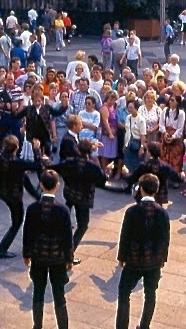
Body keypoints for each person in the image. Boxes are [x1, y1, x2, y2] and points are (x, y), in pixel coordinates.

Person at [115, 173, 170, 329]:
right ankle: (144, 325)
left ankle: (121, 326)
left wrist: (122, 257)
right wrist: (162, 259)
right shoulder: (162, 213)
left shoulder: (132, 211)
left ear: (141, 189)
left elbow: (125, 236)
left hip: (133, 260)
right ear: (156, 190)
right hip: (153, 261)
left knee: (124, 293)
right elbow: (165, 239)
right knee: (150, 294)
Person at [22, 169, 73, 329]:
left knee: (38, 292)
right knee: (59, 295)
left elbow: (27, 233)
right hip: (57, 258)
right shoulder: (62, 210)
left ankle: (37, 325)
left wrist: (26, 254)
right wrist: (69, 258)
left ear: (41, 185)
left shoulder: (32, 209)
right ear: (57, 186)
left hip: (38, 257)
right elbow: (67, 238)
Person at [52, 139, 106, 265]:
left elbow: (57, 168)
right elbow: (102, 181)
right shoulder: (93, 166)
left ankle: (64, 246)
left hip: (70, 193)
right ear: (90, 151)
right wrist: (107, 171)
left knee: (70, 215)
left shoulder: (70, 162)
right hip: (83, 198)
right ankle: (69, 253)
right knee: (82, 225)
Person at [0, 135, 44, 259]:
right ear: (16, 148)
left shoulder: (0, 158)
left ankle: (37, 195)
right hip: (13, 195)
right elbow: (37, 165)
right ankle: (2, 249)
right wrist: (36, 150)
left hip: (2, 191)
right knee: (17, 222)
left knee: (24, 177)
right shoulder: (17, 163)